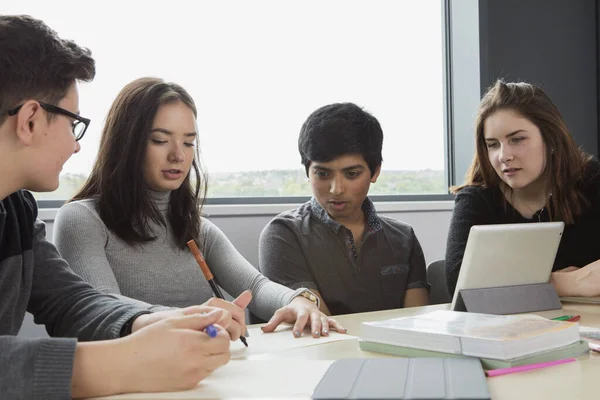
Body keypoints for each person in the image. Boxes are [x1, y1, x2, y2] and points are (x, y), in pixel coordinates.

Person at [0, 15, 238, 399]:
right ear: (29, 120)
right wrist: (120, 362)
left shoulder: (16, 211)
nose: (76, 145)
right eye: (73, 124)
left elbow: (69, 300)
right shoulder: (80, 218)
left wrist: (154, 321)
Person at [53, 77, 346, 339]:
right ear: (125, 143)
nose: (178, 155)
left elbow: (255, 287)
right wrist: (193, 318)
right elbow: (103, 308)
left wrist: (297, 301)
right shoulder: (82, 220)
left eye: (189, 142)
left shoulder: (198, 229)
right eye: (159, 140)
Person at [259, 102, 430, 315]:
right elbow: (318, 325)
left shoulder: (404, 238)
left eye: (351, 174)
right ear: (307, 171)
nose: (336, 189)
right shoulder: (284, 234)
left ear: (375, 172)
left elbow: (417, 322)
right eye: (322, 174)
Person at [445, 80, 600, 297]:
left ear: (551, 138)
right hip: (505, 328)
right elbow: (460, 283)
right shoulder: (477, 199)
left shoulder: (591, 180)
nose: (503, 156)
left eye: (517, 139)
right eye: (493, 144)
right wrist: (564, 283)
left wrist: (515, 282)